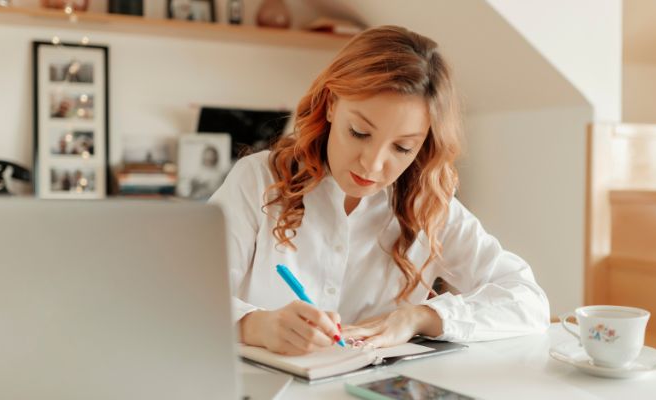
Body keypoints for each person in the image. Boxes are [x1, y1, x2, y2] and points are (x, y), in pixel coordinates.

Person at [209, 25, 550, 356]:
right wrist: (256, 326)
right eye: (358, 132)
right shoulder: (256, 181)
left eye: (402, 148)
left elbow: (528, 301)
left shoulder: (428, 205)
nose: (372, 165)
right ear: (330, 104)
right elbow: (179, 295)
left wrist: (419, 317)